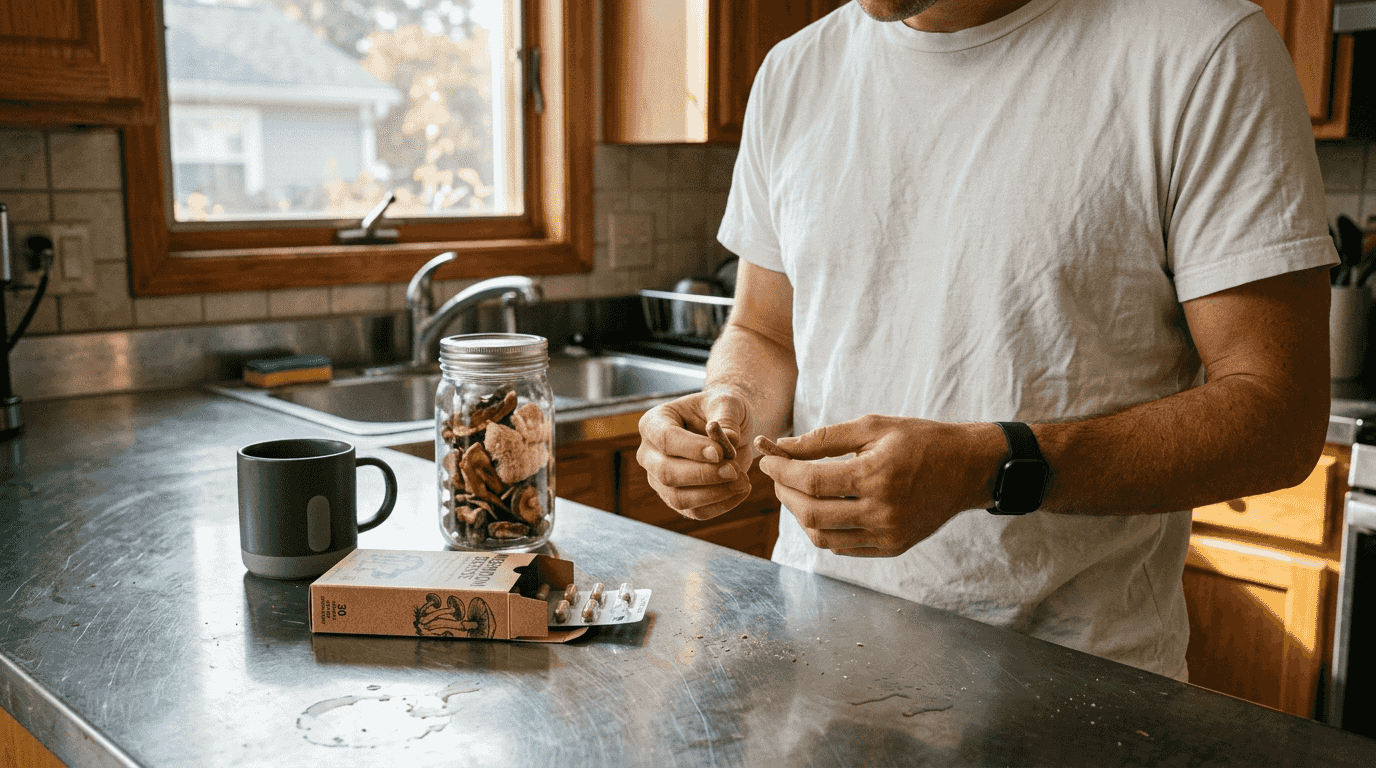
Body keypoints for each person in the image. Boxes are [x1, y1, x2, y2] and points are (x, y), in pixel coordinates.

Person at [636, 0, 1336, 681]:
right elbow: (764, 331)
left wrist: (991, 467)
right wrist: (730, 406)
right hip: (818, 663)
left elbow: (1279, 414)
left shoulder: (1204, 51)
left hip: (1075, 691)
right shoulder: (794, 73)